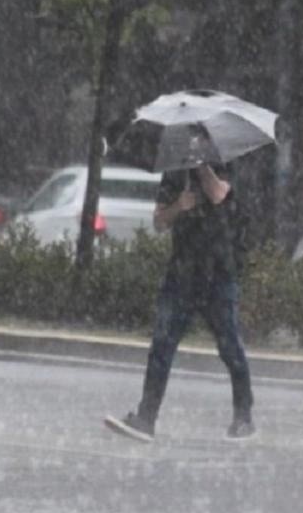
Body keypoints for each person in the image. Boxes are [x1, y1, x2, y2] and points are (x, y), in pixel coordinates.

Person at [105, 162, 254, 442]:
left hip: (219, 272)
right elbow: (159, 221)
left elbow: (219, 194)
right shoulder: (175, 172)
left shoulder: (227, 163)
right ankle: (146, 418)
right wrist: (179, 205)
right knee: (162, 345)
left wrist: (201, 168)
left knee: (230, 346)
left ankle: (243, 416)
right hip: (182, 274)